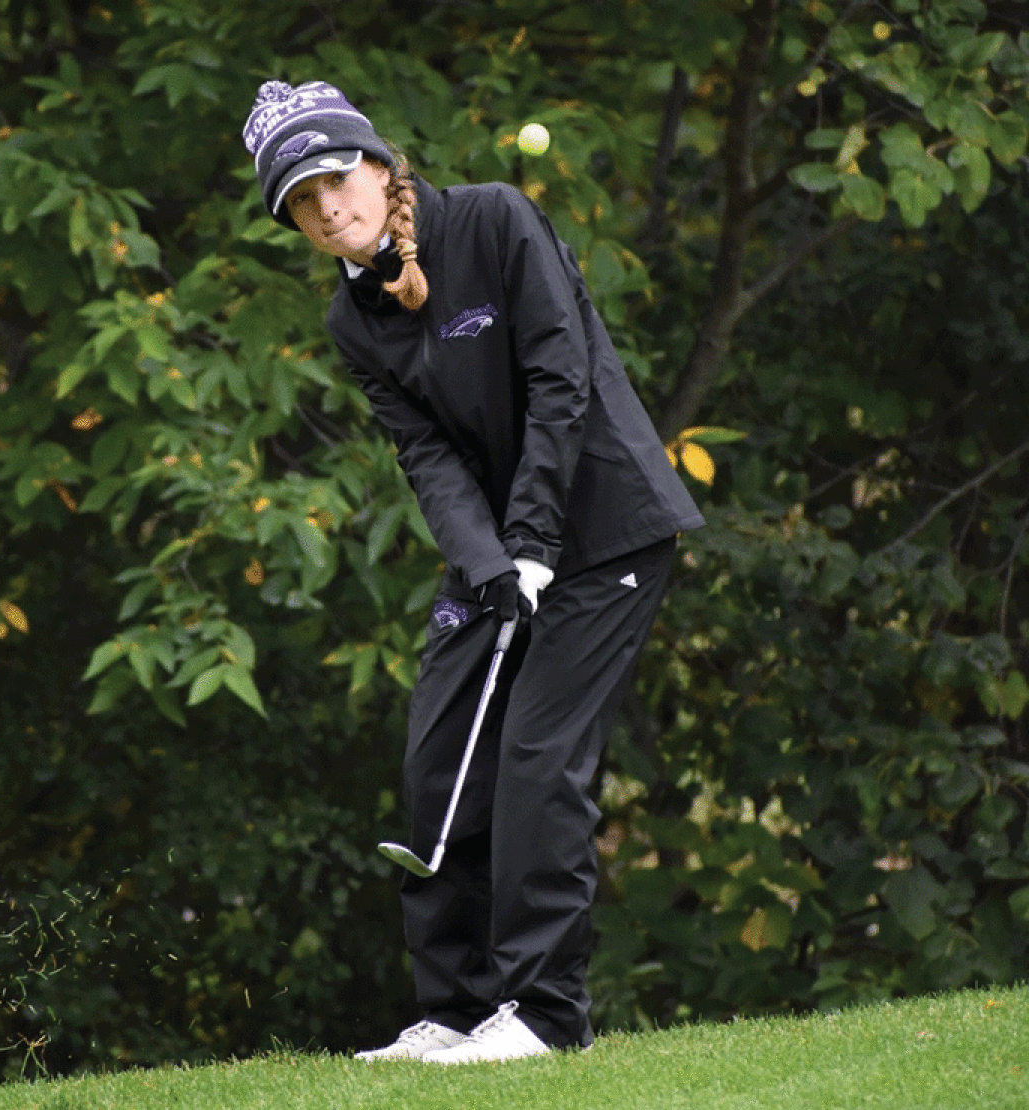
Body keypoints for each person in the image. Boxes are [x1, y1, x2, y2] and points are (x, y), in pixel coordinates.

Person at [242, 80, 705, 1064]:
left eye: (333, 177)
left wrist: (534, 542)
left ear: (376, 163)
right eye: (301, 201)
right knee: (439, 761)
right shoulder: (352, 319)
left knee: (537, 760)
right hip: (502, 554)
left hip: (604, 531)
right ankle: (454, 1009)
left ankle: (543, 1014)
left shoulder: (493, 220)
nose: (328, 208)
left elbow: (560, 378)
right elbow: (429, 458)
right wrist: (491, 564)